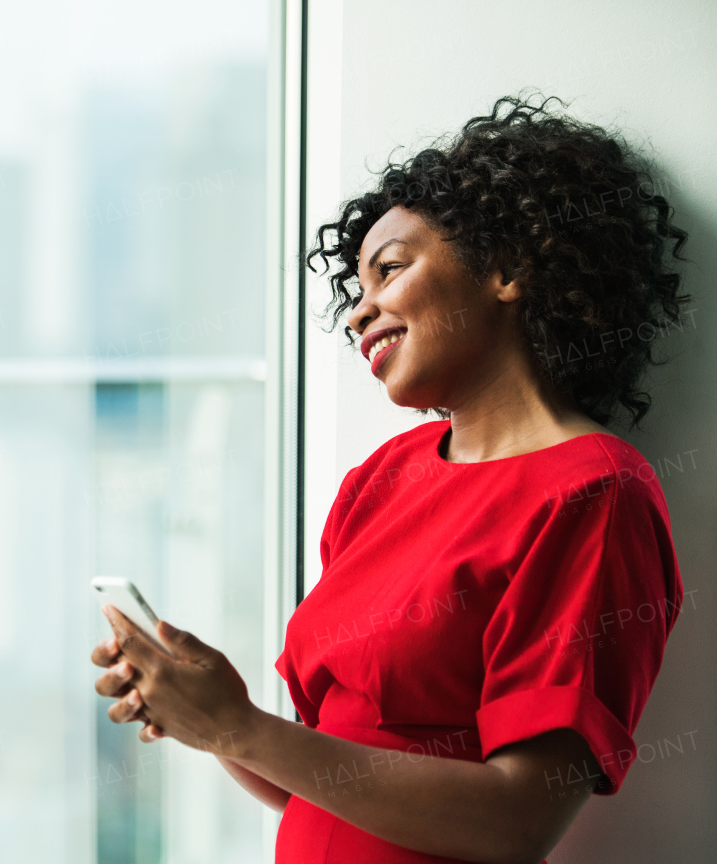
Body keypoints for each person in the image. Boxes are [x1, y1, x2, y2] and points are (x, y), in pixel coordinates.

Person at [91, 94, 688, 864]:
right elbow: (324, 779)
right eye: (357, 292)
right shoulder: (381, 481)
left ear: (507, 267)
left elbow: (517, 822)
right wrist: (213, 718)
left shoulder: (594, 493)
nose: (358, 312)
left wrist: (240, 729)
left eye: (391, 270)